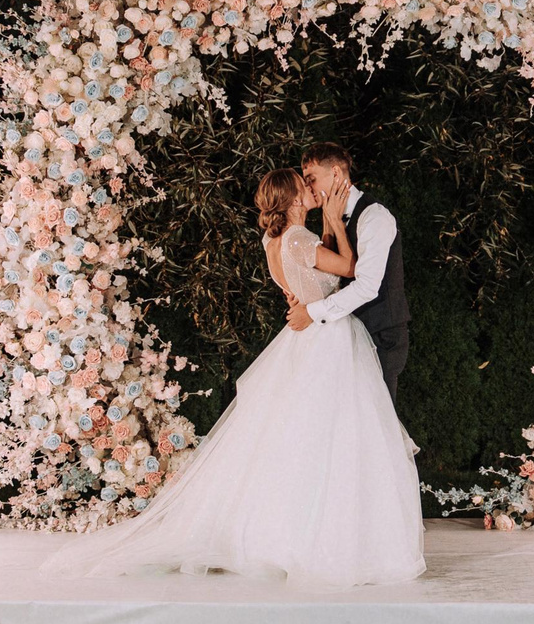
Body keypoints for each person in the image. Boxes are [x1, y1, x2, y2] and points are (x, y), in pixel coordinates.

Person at [40, 164, 425, 585]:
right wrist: (333, 219)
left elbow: (314, 276)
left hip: (306, 337)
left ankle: (290, 532)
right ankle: (329, 537)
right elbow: (350, 268)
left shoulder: (273, 239)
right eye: (305, 186)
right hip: (327, 339)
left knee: (301, 438)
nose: (312, 189)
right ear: (296, 198)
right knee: (335, 436)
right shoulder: (300, 238)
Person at [285, 144, 407, 403]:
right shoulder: (331, 217)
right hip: (345, 336)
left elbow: (367, 287)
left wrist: (311, 312)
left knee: (375, 428)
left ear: (337, 173)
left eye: (312, 179)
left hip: (380, 335)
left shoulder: (374, 217)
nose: (308, 188)